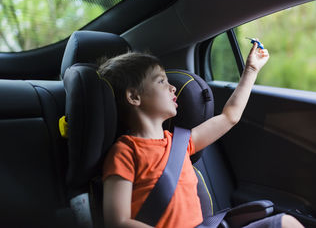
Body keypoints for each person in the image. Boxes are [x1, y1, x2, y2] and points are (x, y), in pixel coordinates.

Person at [99, 40, 304, 228]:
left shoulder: (180, 143)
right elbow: (118, 221)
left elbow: (229, 117)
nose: (173, 87)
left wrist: (250, 70)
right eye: (161, 81)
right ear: (134, 96)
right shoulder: (125, 152)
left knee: (287, 223)